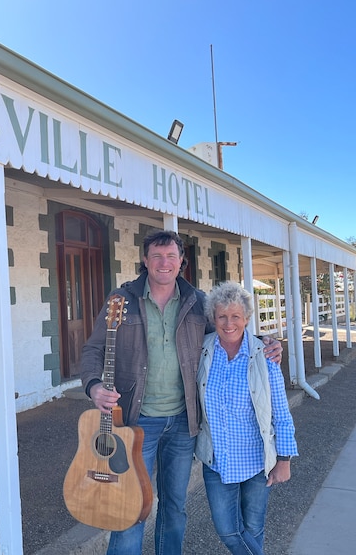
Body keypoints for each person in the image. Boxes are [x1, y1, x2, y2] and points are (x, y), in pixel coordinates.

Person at [81, 230, 283, 555]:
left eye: (171, 257)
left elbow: (228, 331)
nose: (164, 263)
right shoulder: (121, 300)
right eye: (157, 256)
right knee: (130, 507)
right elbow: (93, 349)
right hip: (136, 422)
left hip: (182, 425)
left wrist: (267, 343)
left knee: (174, 507)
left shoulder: (196, 302)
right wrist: (93, 387)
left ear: (181, 262)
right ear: (145, 261)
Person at [195, 281, 298, 555]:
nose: (229, 324)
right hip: (216, 460)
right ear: (213, 319)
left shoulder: (264, 356)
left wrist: (284, 460)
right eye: (222, 317)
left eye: (236, 316)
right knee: (228, 530)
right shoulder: (201, 352)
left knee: (253, 529)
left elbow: (281, 414)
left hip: (256, 461)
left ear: (247, 318)